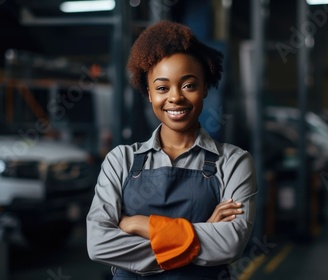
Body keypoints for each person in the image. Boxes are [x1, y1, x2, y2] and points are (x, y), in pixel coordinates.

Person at [86, 20, 257, 279]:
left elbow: (229, 244)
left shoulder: (233, 162)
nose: (175, 97)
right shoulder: (120, 160)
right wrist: (201, 234)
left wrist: (138, 225)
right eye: (162, 88)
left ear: (206, 88)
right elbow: (98, 244)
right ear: (149, 93)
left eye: (188, 85)